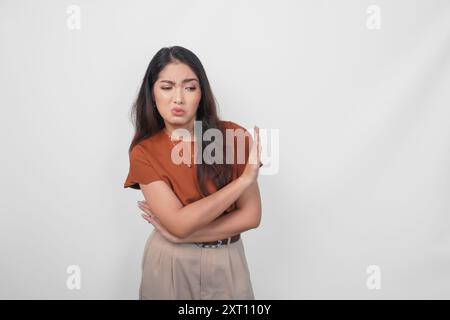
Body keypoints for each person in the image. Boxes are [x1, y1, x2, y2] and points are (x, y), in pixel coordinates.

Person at [124, 46, 262, 300]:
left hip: (228, 260)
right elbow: (179, 223)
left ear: (201, 94)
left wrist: (182, 236)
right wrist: (243, 182)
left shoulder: (232, 137)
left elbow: (251, 216)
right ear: (152, 94)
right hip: (170, 263)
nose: (178, 98)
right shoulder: (144, 152)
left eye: (189, 87)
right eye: (166, 87)